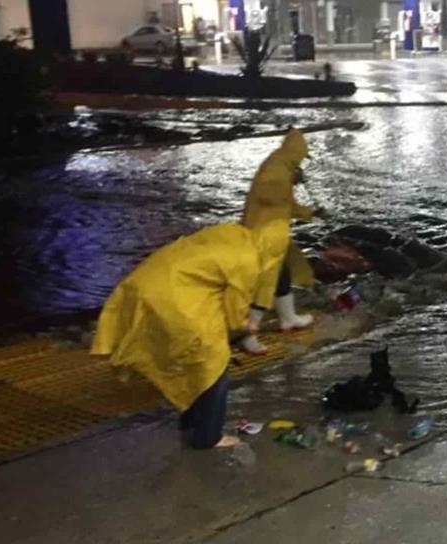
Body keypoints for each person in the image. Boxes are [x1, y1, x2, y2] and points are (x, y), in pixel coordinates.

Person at [91, 220, 291, 449]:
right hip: (174, 299)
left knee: (190, 360)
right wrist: (246, 326)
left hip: (147, 282)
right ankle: (208, 436)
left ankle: (190, 420)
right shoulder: (248, 261)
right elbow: (235, 311)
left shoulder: (232, 231)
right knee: (214, 364)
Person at [239, 128, 323, 354]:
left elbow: (286, 205)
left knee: (282, 276)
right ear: (295, 153)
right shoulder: (277, 169)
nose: (302, 164)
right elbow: (269, 194)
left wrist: (311, 212)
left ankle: (288, 317)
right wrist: (290, 180)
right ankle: (248, 336)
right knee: (263, 287)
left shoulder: (283, 165)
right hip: (263, 235)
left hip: (275, 233)